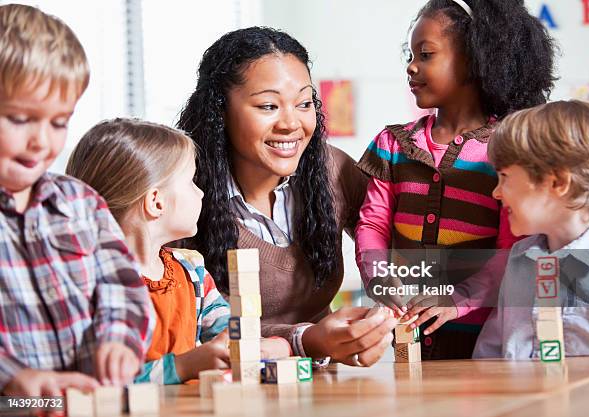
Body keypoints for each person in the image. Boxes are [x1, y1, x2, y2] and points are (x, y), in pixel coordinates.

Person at [177, 27, 397, 367]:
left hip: (322, 385)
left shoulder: (331, 169)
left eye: (305, 103)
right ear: (219, 109)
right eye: (268, 105)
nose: (291, 123)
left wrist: (399, 303)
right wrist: (310, 341)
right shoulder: (184, 196)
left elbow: (395, 239)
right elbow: (200, 333)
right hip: (230, 391)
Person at [355, 0, 556, 359]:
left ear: (475, 58)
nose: (411, 66)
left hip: (483, 338)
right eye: (411, 54)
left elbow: (511, 247)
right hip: (409, 337)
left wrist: (458, 300)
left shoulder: (507, 150)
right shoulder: (392, 144)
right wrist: (378, 276)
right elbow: (372, 223)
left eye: (426, 54)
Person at [0, 4, 153, 395]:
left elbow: (122, 284)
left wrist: (119, 339)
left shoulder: (81, 204)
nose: (41, 141)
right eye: (20, 119)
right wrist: (13, 379)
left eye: (59, 122)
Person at [67, 118, 291, 384]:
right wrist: (182, 367)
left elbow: (229, 337)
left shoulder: (192, 273)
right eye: (190, 182)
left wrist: (270, 346)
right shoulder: (89, 283)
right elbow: (95, 383)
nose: (201, 193)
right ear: (156, 202)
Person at [473, 100, 589, 358]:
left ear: (558, 182)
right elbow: (488, 358)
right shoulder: (519, 260)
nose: (496, 192)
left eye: (504, 177)